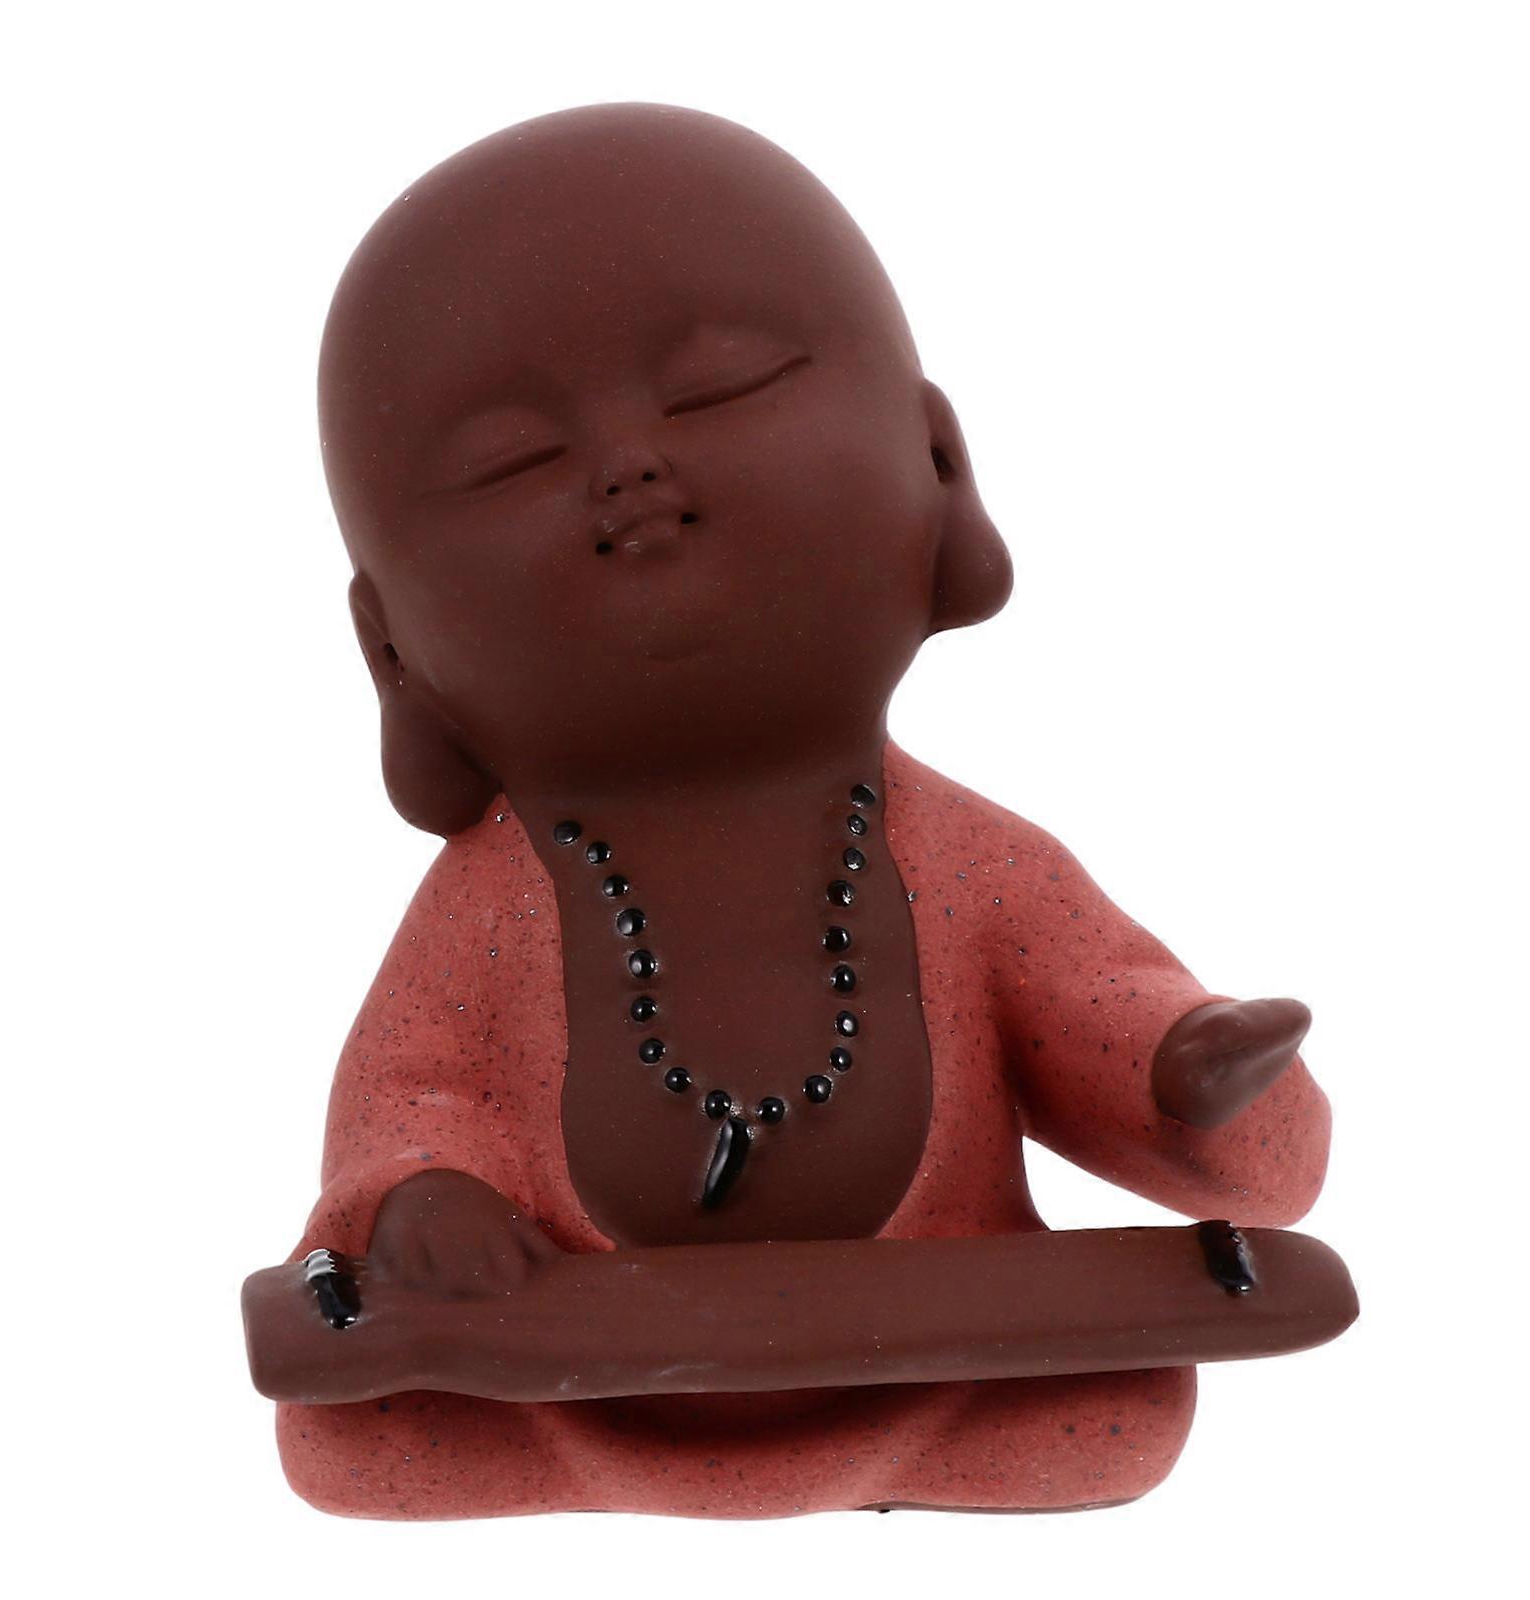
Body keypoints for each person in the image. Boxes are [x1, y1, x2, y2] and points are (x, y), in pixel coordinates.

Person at [242, 103, 1352, 1518]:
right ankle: (646, 1462)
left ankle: (891, 1446)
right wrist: (423, 1196)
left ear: (938, 468)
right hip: (581, 1388)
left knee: (1120, 1412)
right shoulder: (491, 901)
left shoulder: (973, 866)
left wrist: (1188, 1074)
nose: (629, 468)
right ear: (392, 648)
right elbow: (413, 1088)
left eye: (718, 389)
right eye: (513, 462)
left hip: (927, 1349)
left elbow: (1101, 1006)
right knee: (361, 1441)